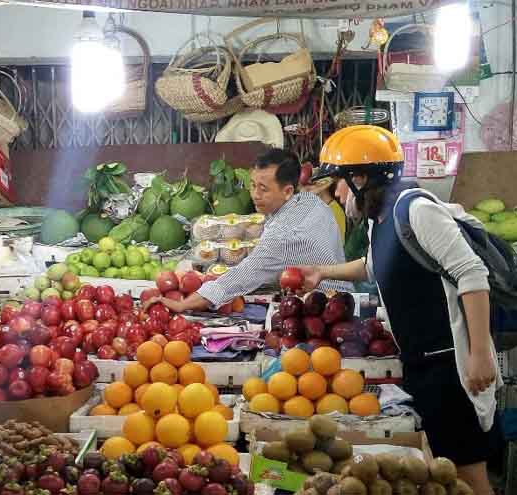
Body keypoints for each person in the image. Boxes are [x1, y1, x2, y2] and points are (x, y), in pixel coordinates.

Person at [299, 125, 501, 495]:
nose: (337, 193)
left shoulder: (416, 210)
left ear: (361, 178)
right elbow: (374, 266)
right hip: (421, 364)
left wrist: (479, 356)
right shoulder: (379, 217)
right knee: (445, 472)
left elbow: (472, 274)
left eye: (339, 183)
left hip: (451, 366)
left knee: (468, 475)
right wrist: (322, 273)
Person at [146, 148, 352, 314]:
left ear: (288, 191)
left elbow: (243, 276)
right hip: (344, 300)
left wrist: (182, 305)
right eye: (252, 185)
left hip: (324, 308)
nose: (255, 195)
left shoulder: (282, 234)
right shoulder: (311, 202)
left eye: (263, 189)